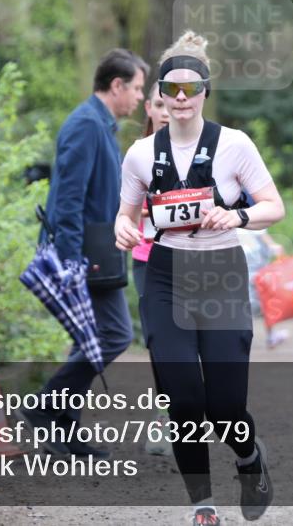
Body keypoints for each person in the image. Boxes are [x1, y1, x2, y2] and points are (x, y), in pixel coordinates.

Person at [115, 31, 285, 526]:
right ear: (161, 94)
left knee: (225, 407)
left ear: (206, 90)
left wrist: (237, 216)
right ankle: (202, 506)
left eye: (192, 89)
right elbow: (125, 214)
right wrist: (122, 227)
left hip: (221, 272)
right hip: (166, 276)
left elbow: (274, 206)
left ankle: (249, 459)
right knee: (182, 400)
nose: (182, 98)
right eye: (172, 89)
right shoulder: (141, 154)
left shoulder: (234, 145)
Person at [19, 48, 148, 457]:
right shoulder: (86, 125)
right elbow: (68, 200)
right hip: (85, 255)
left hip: (99, 250)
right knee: (115, 334)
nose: (140, 98)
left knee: (90, 337)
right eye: (137, 89)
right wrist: (72, 261)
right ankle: (43, 407)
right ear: (117, 85)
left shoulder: (102, 126)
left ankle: (65, 428)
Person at [132, 80, 173, 457]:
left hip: (192, 259)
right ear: (148, 108)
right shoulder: (137, 154)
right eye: (158, 104)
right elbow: (122, 210)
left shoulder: (198, 152)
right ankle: (165, 419)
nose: (165, 111)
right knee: (160, 342)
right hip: (147, 259)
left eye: (170, 104)